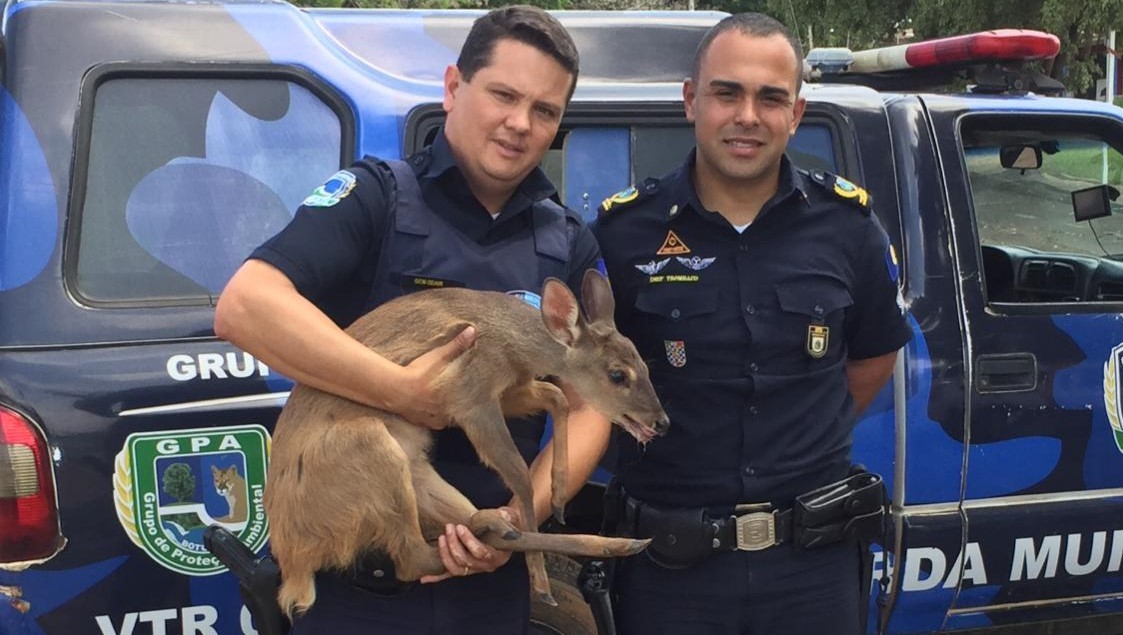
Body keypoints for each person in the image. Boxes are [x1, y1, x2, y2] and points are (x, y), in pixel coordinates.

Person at [214, 6, 611, 634]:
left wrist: (519, 512)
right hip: (362, 589)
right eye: (504, 95)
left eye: (545, 111)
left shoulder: (564, 241)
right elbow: (245, 304)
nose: (519, 124)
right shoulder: (379, 197)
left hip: (489, 584)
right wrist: (404, 393)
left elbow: (590, 403)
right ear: (454, 87)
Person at [591, 12, 911, 635]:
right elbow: (589, 378)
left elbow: (872, 357)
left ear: (795, 113)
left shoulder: (848, 227)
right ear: (691, 100)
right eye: (727, 92)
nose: (748, 116)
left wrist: (802, 437)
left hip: (812, 569)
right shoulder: (625, 233)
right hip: (668, 569)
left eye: (771, 98)